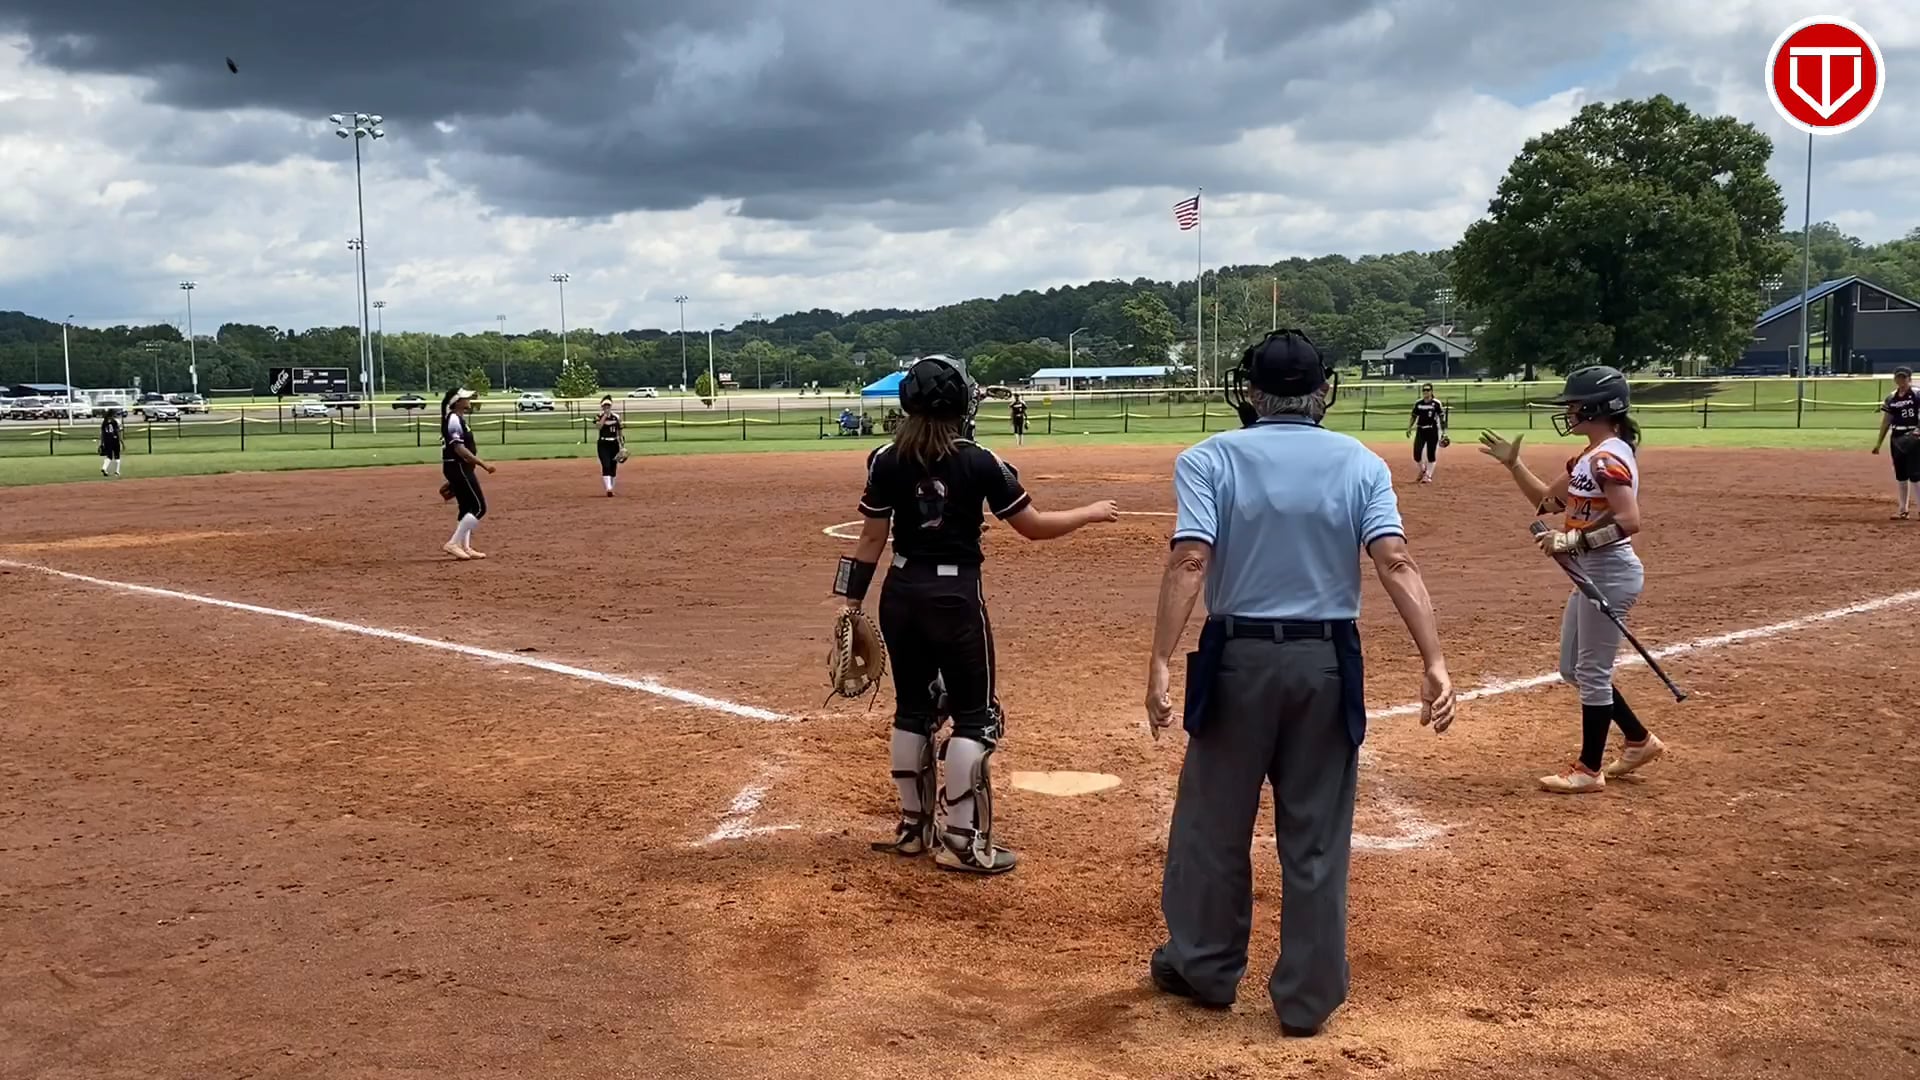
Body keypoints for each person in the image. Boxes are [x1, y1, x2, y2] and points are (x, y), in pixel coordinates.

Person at [1143, 329, 1455, 1036]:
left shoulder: (1209, 458)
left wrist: (1161, 658)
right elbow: (1394, 561)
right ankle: (1308, 998)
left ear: (1251, 391)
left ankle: (1205, 967)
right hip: (1326, 659)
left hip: (1237, 657)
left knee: (1213, 826)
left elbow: (1191, 560)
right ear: (1323, 391)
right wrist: (1433, 659)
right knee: (1316, 835)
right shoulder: (1361, 463)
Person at [834, 354, 1118, 875]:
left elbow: (870, 539)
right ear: (963, 403)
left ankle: (913, 830)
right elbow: (1032, 527)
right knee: (975, 715)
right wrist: (1091, 513)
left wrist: (850, 602)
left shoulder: (884, 458)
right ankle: (963, 843)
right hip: (955, 597)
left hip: (899, 593)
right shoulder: (981, 461)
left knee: (912, 709)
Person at [1478, 365, 1665, 793]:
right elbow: (1548, 502)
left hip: (1610, 574)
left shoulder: (1607, 459)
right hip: (1590, 574)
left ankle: (1589, 770)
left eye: (1574, 404)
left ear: (1598, 408)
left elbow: (1629, 520)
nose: (1568, 411)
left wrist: (1573, 541)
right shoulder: (1588, 457)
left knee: (1592, 672)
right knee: (1572, 668)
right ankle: (1638, 740)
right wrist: (1514, 465)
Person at [440, 388, 496, 561]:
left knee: (466, 508)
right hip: (458, 467)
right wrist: (483, 464)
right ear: (457, 402)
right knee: (479, 507)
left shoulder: (457, 418)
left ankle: (465, 547)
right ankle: (453, 543)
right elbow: (459, 449)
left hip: (459, 468)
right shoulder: (453, 419)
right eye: (465, 398)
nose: (469, 399)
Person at [1872, 366, 1917, 521]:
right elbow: (1887, 421)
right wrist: (1879, 443)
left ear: (1909, 378)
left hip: (1914, 436)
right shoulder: (1891, 398)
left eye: (1904, 377)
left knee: (1915, 475)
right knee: (1901, 474)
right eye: (1898, 377)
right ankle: (1903, 510)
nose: (1901, 380)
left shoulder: (1917, 394)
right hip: (1897, 437)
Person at [1405, 383, 1447, 484]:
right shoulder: (1418, 403)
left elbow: (1442, 418)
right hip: (1421, 430)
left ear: (1431, 391)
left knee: (1431, 454)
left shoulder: (1436, 403)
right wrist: (1409, 428)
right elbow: (1414, 416)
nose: (1425, 392)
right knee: (1416, 453)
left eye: (1428, 390)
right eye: (1424, 390)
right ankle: (1423, 470)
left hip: (1432, 430)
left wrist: (1444, 432)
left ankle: (1428, 475)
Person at [595, 396, 625, 497]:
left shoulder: (616, 417)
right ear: (602, 407)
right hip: (603, 444)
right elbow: (599, 426)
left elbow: (620, 431)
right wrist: (605, 416)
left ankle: (611, 487)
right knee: (606, 464)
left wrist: (622, 445)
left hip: (614, 443)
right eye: (605, 406)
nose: (606, 407)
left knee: (613, 466)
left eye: (608, 406)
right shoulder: (599, 416)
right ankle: (608, 488)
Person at [98, 410, 123, 477]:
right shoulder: (115, 421)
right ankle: (117, 472)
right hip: (115, 440)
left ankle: (104, 468)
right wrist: (121, 442)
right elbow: (118, 431)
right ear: (112, 415)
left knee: (109, 456)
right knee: (117, 456)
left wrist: (101, 443)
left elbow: (102, 433)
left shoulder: (104, 422)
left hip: (106, 440)